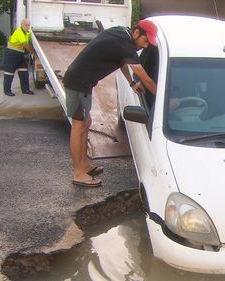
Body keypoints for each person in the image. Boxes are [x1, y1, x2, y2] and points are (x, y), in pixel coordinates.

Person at [63, 19, 158, 188]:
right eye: (144, 41)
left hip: (82, 81)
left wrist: (131, 83)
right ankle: (79, 173)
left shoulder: (122, 34)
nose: (144, 46)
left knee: (86, 123)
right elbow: (146, 80)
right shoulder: (126, 45)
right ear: (136, 33)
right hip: (78, 83)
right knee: (78, 126)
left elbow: (121, 61)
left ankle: (85, 165)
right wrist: (162, 96)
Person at [3, 19, 35, 96]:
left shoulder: (27, 33)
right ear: (22, 25)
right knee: (9, 73)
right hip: (11, 54)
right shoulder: (19, 32)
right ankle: (7, 91)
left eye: (28, 25)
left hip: (20, 54)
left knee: (24, 72)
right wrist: (32, 51)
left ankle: (25, 90)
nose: (27, 27)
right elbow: (25, 45)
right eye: (26, 25)